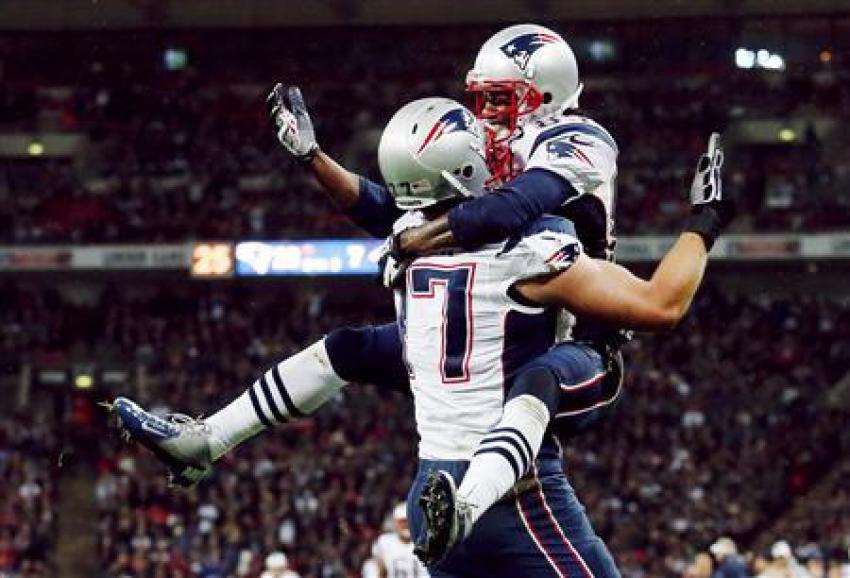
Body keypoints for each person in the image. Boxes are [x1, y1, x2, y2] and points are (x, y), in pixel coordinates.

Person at [107, 24, 631, 490]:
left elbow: (507, 211)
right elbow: (396, 213)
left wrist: (415, 243)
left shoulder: (579, 140)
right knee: (348, 348)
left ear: (544, 95)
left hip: (569, 345)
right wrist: (313, 159)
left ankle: (479, 502)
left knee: (528, 390)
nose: (485, 113)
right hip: (491, 330)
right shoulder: (493, 148)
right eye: (480, 98)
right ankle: (208, 441)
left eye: (498, 99)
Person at [364, 98, 729, 575]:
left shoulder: (414, 237)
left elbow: (388, 209)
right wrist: (705, 220)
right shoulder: (531, 238)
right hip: (521, 470)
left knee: (343, 351)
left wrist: (313, 160)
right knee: (543, 377)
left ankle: (227, 436)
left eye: (497, 102)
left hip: (434, 464)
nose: (491, 124)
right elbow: (662, 304)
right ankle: (469, 505)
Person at [362, 503, 427, 578]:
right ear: (396, 523)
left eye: (408, 521)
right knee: (369, 566)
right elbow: (379, 566)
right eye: (402, 522)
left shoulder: (425, 543)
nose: (406, 525)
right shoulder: (385, 542)